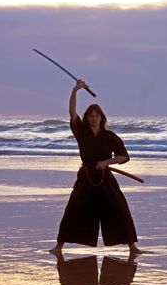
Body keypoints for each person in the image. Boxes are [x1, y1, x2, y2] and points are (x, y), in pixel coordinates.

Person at [50, 80, 141, 255]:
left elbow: (124, 156)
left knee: (120, 209)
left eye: (97, 115)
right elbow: (71, 111)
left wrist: (106, 162)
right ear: (87, 117)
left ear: (101, 118)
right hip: (86, 176)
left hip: (104, 177)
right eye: (91, 115)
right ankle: (58, 247)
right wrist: (75, 90)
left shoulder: (109, 136)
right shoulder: (81, 132)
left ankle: (132, 247)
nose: (93, 118)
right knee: (73, 209)